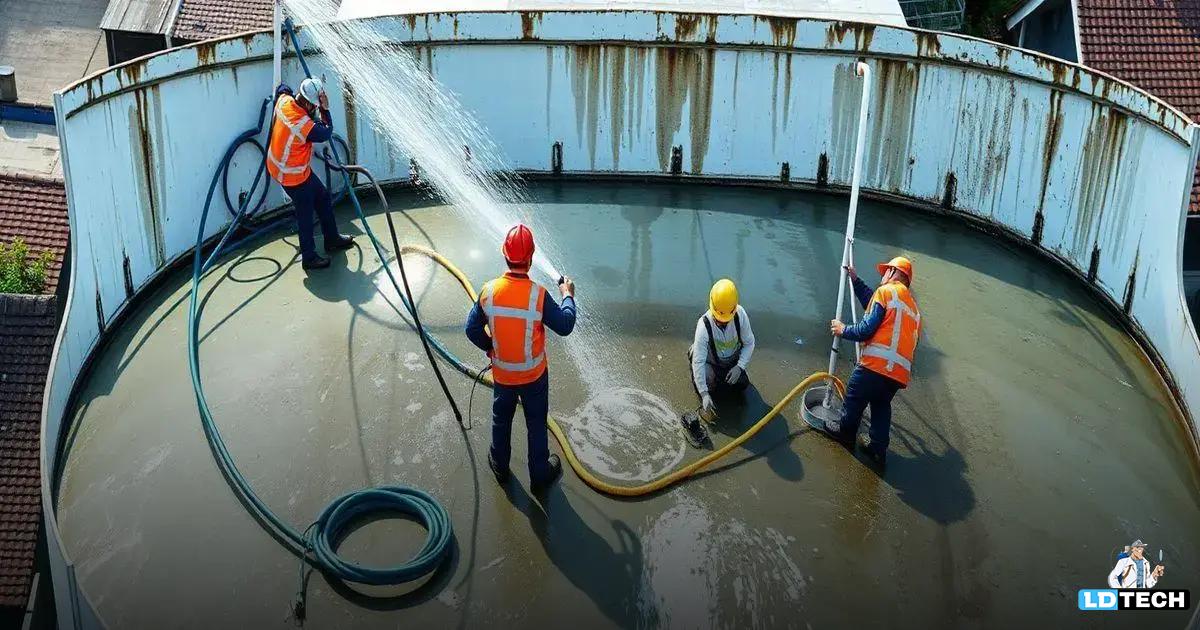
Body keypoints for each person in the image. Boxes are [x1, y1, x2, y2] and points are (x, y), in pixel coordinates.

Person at [465, 224, 577, 492]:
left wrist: (492, 348)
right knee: (536, 423)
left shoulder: (488, 291)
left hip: (503, 376)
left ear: (505, 255)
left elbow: (471, 329)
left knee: (500, 419)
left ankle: (500, 466)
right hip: (534, 377)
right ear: (531, 258)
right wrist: (568, 296)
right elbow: (565, 325)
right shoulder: (538, 295)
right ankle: (539, 474)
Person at [825, 256, 921, 467]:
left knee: (855, 396)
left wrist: (843, 330)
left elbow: (867, 329)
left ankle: (845, 433)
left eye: (886, 271)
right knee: (881, 405)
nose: (882, 275)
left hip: (875, 366)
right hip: (897, 374)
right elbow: (874, 305)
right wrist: (856, 280)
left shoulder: (886, 293)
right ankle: (878, 450)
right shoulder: (912, 309)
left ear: (894, 273)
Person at [267, 78, 354, 270]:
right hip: (293, 176)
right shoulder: (302, 124)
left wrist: (312, 93)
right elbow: (325, 132)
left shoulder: (284, 101)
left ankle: (332, 238)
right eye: (314, 105)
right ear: (307, 103)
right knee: (305, 215)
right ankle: (309, 257)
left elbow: (282, 88)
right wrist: (325, 109)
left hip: (285, 168)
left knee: (322, 197)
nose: (315, 109)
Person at [689, 278, 756, 419]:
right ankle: (694, 350)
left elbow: (749, 343)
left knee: (742, 385)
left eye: (725, 319)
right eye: (718, 318)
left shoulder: (740, 315)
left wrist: (739, 367)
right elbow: (699, 362)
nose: (720, 322)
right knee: (708, 382)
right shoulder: (704, 325)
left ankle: (722, 372)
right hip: (710, 360)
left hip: (731, 361)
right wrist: (704, 393)